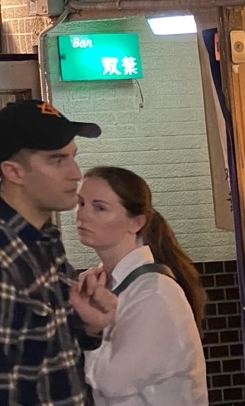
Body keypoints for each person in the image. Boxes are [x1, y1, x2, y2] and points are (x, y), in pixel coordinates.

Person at [0, 99, 118, 406]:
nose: (76, 174)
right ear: (14, 171)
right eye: (57, 160)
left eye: (73, 157)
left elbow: (48, 361)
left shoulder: (43, 240)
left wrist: (88, 327)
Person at [75, 166, 208, 406]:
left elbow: (112, 384)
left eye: (99, 207)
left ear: (136, 222)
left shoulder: (155, 293)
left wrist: (92, 332)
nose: (82, 215)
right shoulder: (108, 283)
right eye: (80, 203)